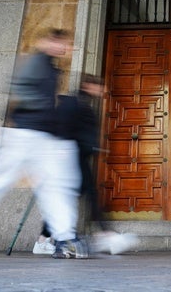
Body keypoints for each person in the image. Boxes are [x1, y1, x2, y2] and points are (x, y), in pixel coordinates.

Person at [0, 28, 87, 259]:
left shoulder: (51, 67)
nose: (67, 48)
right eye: (64, 43)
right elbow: (17, 88)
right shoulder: (35, 62)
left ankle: (64, 238)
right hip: (22, 134)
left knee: (57, 185)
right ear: (50, 41)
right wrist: (41, 107)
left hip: (42, 137)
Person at [33, 74, 138, 256]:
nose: (102, 91)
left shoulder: (82, 103)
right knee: (86, 195)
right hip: (71, 158)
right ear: (89, 85)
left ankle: (44, 239)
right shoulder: (72, 103)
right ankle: (105, 234)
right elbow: (64, 130)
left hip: (79, 157)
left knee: (78, 196)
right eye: (99, 87)